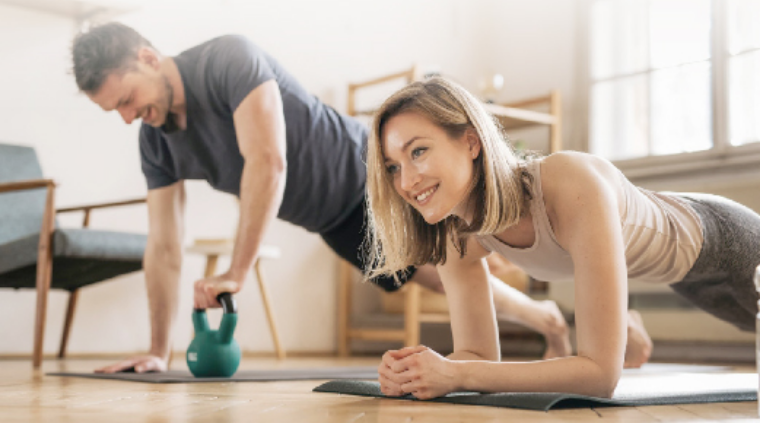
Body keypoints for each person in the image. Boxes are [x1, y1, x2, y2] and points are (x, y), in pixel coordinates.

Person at [70, 23, 587, 373]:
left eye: (126, 99)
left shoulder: (228, 60)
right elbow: (163, 247)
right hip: (331, 219)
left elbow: (268, 163)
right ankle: (546, 319)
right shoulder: (155, 142)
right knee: (434, 279)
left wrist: (236, 271)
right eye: (112, 110)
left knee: (453, 267)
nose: (127, 117)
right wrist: (159, 351)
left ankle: (554, 306)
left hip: (372, 179)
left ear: (147, 58)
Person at [366, 77, 758, 400]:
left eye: (418, 151)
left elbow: (600, 377)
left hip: (731, 242)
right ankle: (619, 322)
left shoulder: (569, 183)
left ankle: (619, 324)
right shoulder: (455, 238)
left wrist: (458, 374)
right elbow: (477, 357)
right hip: (682, 276)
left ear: (471, 142)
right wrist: (421, 372)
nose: (406, 181)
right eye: (392, 166)